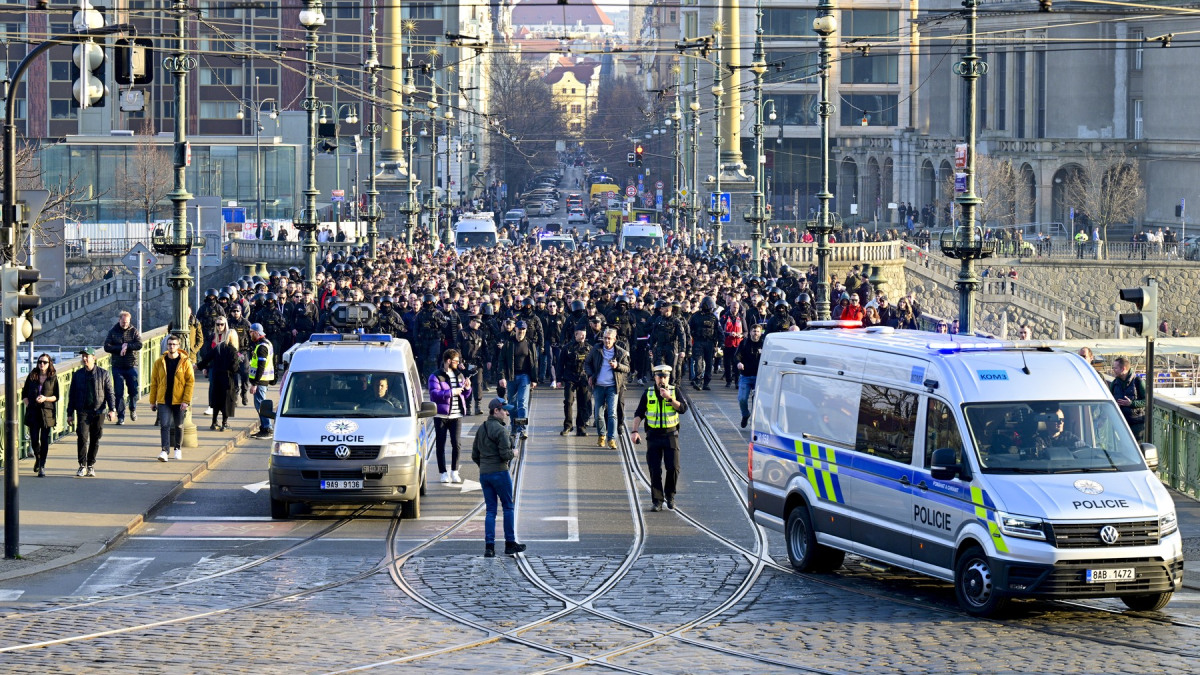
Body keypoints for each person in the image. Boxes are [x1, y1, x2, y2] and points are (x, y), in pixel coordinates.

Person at [629, 364, 689, 512]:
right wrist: (634, 431)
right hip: (653, 436)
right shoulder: (648, 393)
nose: (662, 380)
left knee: (673, 468)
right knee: (655, 469)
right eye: (659, 376)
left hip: (671, 435)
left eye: (664, 377)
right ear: (654, 377)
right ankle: (657, 501)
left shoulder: (675, 391)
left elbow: (683, 408)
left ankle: (670, 496)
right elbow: (639, 413)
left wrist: (669, 398)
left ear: (669, 377)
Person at [471, 397, 526, 558]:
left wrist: (485, 466)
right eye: (505, 410)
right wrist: (514, 453)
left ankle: (489, 547)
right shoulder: (501, 430)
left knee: (491, 511)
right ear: (496, 411)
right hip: (500, 472)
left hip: (485, 474)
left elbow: (475, 454)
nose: (507, 413)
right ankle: (510, 543)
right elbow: (505, 455)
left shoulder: (482, 428)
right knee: (508, 507)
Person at [65, 347, 116, 478]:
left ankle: (91, 465)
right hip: (83, 410)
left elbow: (110, 393)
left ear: (94, 358)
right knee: (82, 436)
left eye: (87, 356)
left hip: (98, 410)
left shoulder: (103, 374)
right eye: (83, 356)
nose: (85, 358)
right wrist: (69, 413)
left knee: (95, 438)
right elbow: (72, 395)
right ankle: (82, 465)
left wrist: (112, 409)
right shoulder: (78, 375)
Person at [428, 349, 472, 483]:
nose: (459, 363)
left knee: (456, 443)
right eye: (456, 361)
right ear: (448, 361)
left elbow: (464, 395)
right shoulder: (435, 376)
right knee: (440, 444)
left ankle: (454, 471)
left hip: (456, 415)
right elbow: (434, 394)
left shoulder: (459, 375)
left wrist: (468, 388)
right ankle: (443, 472)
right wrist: (452, 392)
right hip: (441, 415)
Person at [150, 334, 195, 462]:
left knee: (179, 425)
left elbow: (190, 382)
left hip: (179, 399)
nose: (171, 347)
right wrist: (152, 401)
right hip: (164, 399)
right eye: (169, 344)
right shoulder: (160, 362)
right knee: (164, 425)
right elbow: (154, 382)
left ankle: (177, 448)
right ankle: (164, 450)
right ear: (167, 346)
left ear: (178, 346)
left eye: (174, 344)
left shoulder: (185, 362)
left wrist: (186, 401)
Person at [586, 327, 631, 450]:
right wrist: (590, 375)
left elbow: (627, 368)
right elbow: (587, 363)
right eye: (605, 338)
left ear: (614, 339)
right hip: (599, 386)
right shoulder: (596, 349)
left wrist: (617, 366)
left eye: (609, 339)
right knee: (598, 415)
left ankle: (611, 439)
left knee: (612, 414)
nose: (607, 341)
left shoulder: (620, 352)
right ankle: (602, 436)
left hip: (612, 386)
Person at [497, 319, 539, 440]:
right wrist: (502, 377)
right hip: (511, 377)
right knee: (512, 404)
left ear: (526, 330)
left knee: (522, 403)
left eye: (523, 329)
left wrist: (534, 379)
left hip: (525, 377)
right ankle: (514, 427)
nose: (521, 331)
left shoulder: (530, 344)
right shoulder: (509, 344)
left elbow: (534, 363)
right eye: (519, 329)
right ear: (515, 329)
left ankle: (522, 429)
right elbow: (501, 361)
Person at [102, 310, 142, 425]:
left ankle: (133, 408)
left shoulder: (133, 331)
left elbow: (139, 344)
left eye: (127, 322)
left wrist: (128, 346)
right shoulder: (113, 332)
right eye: (123, 322)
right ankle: (121, 416)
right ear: (119, 320)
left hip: (131, 365)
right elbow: (107, 346)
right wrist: (120, 348)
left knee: (133, 390)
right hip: (118, 366)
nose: (125, 324)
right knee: (119, 392)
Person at [22, 353, 59, 477]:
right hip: (33, 412)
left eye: (44, 362)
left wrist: (45, 398)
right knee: (34, 439)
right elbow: (24, 393)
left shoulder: (53, 377)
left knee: (44, 439)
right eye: (39, 362)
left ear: (49, 364)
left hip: (47, 412)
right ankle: (38, 459)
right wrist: (27, 403)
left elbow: (56, 396)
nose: (41, 364)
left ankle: (42, 465)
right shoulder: (32, 375)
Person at [198, 322, 239, 431]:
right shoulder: (233, 351)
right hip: (227, 379)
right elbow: (234, 368)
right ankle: (224, 423)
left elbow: (207, 358)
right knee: (226, 401)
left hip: (216, 377)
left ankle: (214, 422)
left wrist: (199, 366)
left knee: (216, 400)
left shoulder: (218, 347)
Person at [558, 327, 592, 436]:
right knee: (568, 401)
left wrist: (593, 377)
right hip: (570, 377)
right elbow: (560, 364)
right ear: (575, 334)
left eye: (584, 335)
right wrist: (558, 379)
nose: (583, 337)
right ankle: (568, 426)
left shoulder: (589, 348)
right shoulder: (567, 348)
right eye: (581, 335)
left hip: (583, 378)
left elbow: (593, 364)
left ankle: (581, 427)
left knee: (583, 403)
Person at [248, 323, 276, 438]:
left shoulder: (262, 347)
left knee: (260, 405)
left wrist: (255, 383)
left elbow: (261, 366)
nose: (250, 334)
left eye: (251, 332)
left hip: (260, 381)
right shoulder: (267, 343)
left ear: (256, 332)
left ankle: (267, 428)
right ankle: (264, 427)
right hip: (264, 380)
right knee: (261, 404)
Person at [1111, 356, 1146, 441]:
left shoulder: (1138, 382)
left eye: (1115, 368)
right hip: (1120, 422)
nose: (1113, 370)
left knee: (1136, 447)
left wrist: (1132, 403)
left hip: (1136, 423)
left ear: (1123, 369)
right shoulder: (1114, 383)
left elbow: (1147, 401)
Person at [735, 324, 764, 428]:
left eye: (757, 331)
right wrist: (739, 362)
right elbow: (737, 355)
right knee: (742, 398)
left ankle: (755, 421)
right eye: (754, 331)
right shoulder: (744, 342)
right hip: (746, 375)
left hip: (759, 377)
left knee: (757, 402)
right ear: (750, 332)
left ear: (761, 332)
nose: (755, 333)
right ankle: (745, 414)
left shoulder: (764, 343)